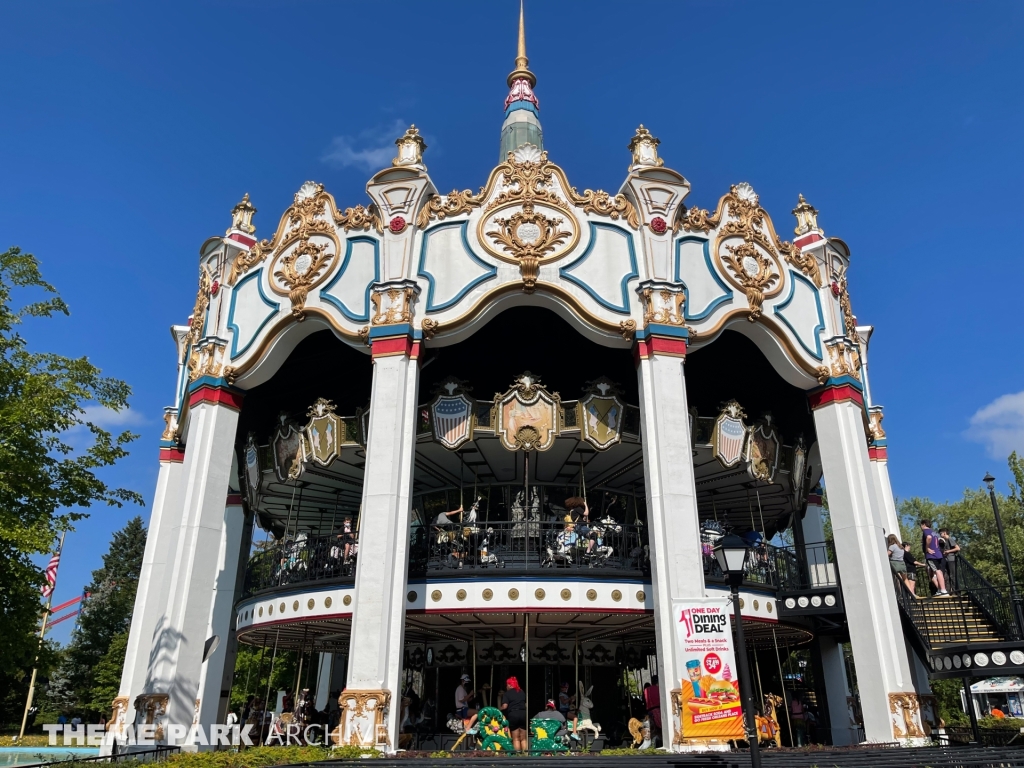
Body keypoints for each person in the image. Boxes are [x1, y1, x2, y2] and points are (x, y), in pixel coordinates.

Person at [920, 519, 948, 596]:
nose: (921, 527)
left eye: (921, 525)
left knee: (937, 571)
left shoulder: (926, 531)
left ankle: (943, 590)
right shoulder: (934, 532)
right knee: (938, 571)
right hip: (938, 554)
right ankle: (940, 589)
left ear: (924, 524)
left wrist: (927, 548)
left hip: (932, 555)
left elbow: (929, 537)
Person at [500, 676, 527, 752]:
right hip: (523, 713)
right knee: (523, 738)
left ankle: (517, 757)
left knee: (516, 738)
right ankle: (525, 756)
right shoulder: (521, 691)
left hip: (513, 714)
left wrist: (498, 708)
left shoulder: (507, 694)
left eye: (507, 685)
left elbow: (505, 706)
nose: (506, 686)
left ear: (510, 685)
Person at [644, 675, 662, 739]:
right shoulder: (659, 689)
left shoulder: (646, 690)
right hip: (657, 710)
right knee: (660, 728)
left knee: (652, 729)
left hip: (649, 711)